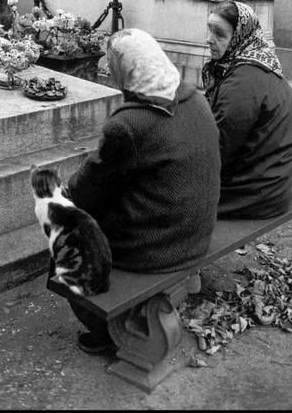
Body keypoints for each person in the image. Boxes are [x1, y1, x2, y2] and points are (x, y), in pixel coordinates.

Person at [64, 27, 221, 353]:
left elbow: (84, 192)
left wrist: (63, 193)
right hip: (196, 236)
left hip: (156, 249)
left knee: (69, 238)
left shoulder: (130, 124)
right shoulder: (197, 101)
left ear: (126, 71)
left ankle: (106, 333)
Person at [202, 0, 292, 220]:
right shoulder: (260, 62)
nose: (209, 40)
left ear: (240, 37)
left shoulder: (242, 82)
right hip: (272, 184)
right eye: (209, 30)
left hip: (254, 194)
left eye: (219, 33)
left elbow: (217, 150)